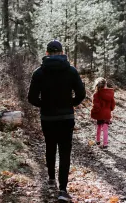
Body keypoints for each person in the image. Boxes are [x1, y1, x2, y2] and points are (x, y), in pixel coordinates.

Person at [28, 40, 86, 202]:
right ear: (61, 52)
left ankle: (51, 180)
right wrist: (70, 104)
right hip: (66, 117)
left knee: (50, 147)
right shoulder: (71, 71)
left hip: (48, 118)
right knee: (65, 152)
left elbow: (31, 98)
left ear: (47, 53)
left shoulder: (39, 72)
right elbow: (81, 94)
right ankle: (62, 190)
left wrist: (44, 105)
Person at [90, 77, 115, 149]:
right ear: (105, 85)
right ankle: (105, 144)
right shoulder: (110, 94)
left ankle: (98, 140)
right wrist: (110, 109)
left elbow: (96, 106)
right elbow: (113, 105)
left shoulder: (96, 94)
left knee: (98, 127)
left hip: (100, 114)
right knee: (105, 129)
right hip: (107, 114)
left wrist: (93, 112)